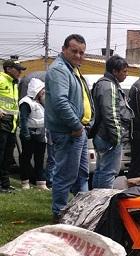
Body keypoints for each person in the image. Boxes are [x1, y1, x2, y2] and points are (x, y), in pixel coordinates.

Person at [45, 34, 94, 222]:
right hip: (69, 131)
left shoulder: (72, 69)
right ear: (64, 49)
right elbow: (60, 101)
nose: (78, 55)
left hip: (78, 130)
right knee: (65, 174)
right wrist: (75, 125)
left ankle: (83, 212)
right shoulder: (59, 70)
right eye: (74, 51)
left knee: (81, 174)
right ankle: (59, 213)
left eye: (82, 52)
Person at [90, 55, 133, 189]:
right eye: (124, 71)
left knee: (101, 171)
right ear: (115, 71)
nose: (126, 74)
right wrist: (117, 137)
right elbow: (111, 114)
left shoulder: (106, 84)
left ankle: (96, 202)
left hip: (103, 135)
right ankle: (104, 204)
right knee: (109, 173)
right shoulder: (109, 86)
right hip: (108, 137)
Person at [0, 60, 26, 193]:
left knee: (7, 157)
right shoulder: (1, 79)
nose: (20, 72)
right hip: (2, 124)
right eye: (18, 69)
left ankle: (5, 184)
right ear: (9, 69)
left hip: (11, 125)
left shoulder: (14, 84)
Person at [18, 78, 48, 190]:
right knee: (26, 158)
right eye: (42, 89)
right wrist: (26, 134)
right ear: (36, 90)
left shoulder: (39, 102)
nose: (43, 91)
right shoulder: (26, 102)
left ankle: (41, 182)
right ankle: (25, 182)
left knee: (39, 159)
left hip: (40, 135)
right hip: (29, 135)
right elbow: (23, 119)